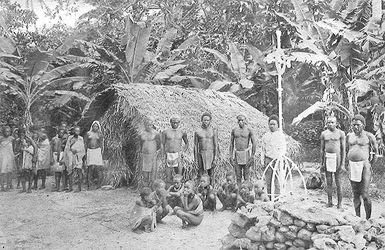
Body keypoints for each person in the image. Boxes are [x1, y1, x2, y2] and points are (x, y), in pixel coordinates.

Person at [347, 114, 378, 219]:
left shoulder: (369, 136)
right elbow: (348, 150)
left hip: (364, 166)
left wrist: (370, 165)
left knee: (364, 194)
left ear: (363, 125)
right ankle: (357, 218)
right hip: (352, 165)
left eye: (358, 125)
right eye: (354, 125)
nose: (355, 127)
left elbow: (376, 153)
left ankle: (368, 219)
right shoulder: (349, 136)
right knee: (355, 194)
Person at [320, 116, 346, 208]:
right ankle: (330, 201)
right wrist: (322, 163)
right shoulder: (324, 134)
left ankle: (339, 203)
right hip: (328, 157)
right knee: (329, 181)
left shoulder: (341, 133)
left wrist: (342, 164)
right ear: (326, 123)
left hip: (337, 157)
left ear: (336, 123)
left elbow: (343, 150)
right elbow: (322, 150)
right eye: (329, 122)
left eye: (332, 122)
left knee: (338, 181)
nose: (330, 124)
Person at [261, 115, 287, 200]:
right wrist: (263, 161)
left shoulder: (281, 136)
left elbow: (283, 148)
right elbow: (263, 150)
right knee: (268, 180)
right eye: (270, 124)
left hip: (277, 160)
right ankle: (269, 197)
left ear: (278, 125)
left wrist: (280, 158)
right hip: (268, 160)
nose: (272, 126)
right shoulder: (265, 136)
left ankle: (277, 198)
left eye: (274, 124)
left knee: (277, 180)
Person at [162, 115, 189, 186]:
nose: (175, 124)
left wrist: (183, 151)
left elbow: (187, 143)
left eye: (177, 122)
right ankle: (169, 190)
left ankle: (179, 190)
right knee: (168, 175)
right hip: (169, 155)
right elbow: (162, 144)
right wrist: (163, 153)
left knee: (179, 174)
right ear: (170, 122)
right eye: (173, 122)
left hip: (178, 155)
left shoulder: (182, 132)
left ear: (179, 123)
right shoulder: (165, 132)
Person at [230, 115, 256, 186]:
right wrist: (230, 156)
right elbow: (231, 144)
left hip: (246, 154)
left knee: (246, 176)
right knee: (238, 176)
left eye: (242, 120)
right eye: (239, 120)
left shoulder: (249, 130)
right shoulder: (234, 130)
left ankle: (246, 193)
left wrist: (252, 156)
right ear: (237, 121)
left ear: (245, 120)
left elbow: (254, 143)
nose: (240, 122)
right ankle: (239, 193)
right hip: (237, 154)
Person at [194, 112, 218, 182]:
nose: (206, 122)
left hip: (211, 153)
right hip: (201, 153)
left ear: (210, 121)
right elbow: (195, 146)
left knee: (211, 173)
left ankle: (211, 189)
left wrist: (215, 157)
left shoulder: (213, 131)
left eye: (207, 120)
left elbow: (216, 144)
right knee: (201, 172)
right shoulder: (197, 131)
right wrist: (195, 159)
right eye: (204, 120)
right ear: (201, 120)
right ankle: (202, 189)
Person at [140, 118, 161, 187]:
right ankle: (145, 188)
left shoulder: (156, 134)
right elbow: (141, 144)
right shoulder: (142, 134)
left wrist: (156, 152)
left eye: (150, 125)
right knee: (145, 174)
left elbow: (159, 144)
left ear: (152, 125)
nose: (149, 126)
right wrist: (142, 152)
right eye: (147, 125)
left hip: (152, 156)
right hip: (145, 156)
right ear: (144, 125)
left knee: (153, 174)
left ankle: (152, 189)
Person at [64, 126, 86, 192]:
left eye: (78, 131)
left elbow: (82, 149)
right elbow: (67, 147)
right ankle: (70, 188)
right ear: (73, 131)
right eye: (76, 131)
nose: (77, 132)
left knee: (79, 171)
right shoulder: (70, 138)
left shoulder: (81, 139)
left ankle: (79, 188)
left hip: (78, 157)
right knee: (70, 172)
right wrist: (71, 150)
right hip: (71, 156)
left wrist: (77, 151)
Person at [85, 121, 104, 190]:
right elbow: (86, 143)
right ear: (92, 126)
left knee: (98, 168)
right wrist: (85, 152)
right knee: (90, 168)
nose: (95, 127)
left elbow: (101, 144)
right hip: (90, 151)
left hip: (97, 151)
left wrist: (101, 153)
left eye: (96, 126)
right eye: (94, 126)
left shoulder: (100, 134)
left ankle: (99, 185)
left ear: (98, 127)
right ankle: (89, 185)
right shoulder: (88, 133)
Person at [0, 126, 15, 191]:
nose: (7, 133)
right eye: (6, 131)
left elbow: (14, 147)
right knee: (2, 172)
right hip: (2, 156)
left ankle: (8, 186)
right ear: (3, 131)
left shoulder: (12, 138)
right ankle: (2, 187)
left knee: (9, 171)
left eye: (9, 131)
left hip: (10, 156)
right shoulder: (0, 138)